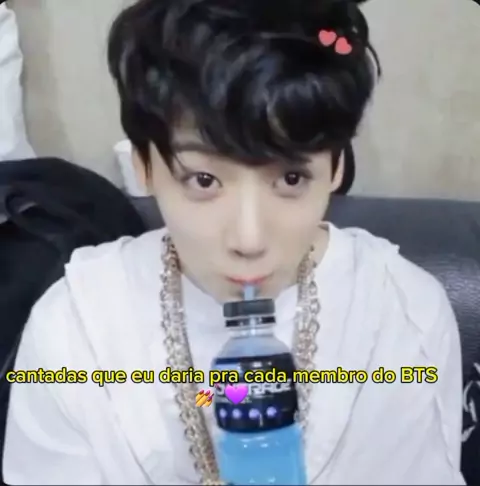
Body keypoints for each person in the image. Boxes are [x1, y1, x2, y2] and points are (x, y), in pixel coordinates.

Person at [2, 0, 465, 484]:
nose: (249, 238)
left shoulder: (401, 314)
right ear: (144, 166)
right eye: (203, 180)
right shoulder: (75, 328)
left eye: (290, 178)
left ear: (335, 167)